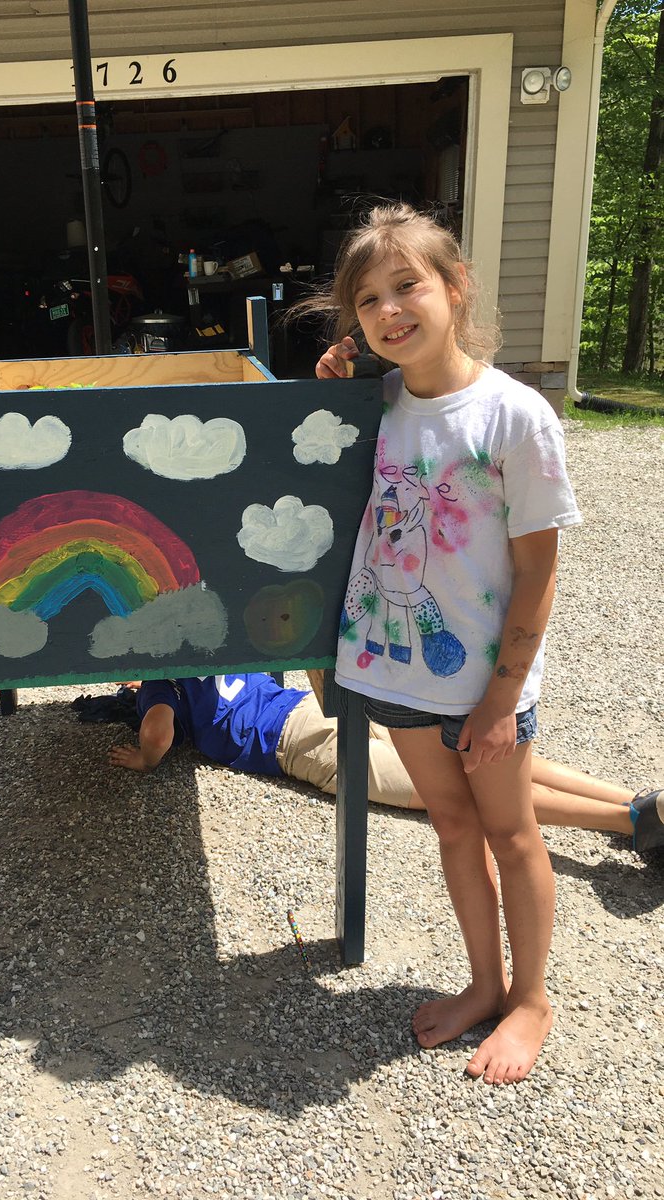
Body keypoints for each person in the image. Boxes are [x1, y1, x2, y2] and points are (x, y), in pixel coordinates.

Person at [308, 201, 586, 1086]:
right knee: (453, 826)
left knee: (513, 833)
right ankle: (483, 982)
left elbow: (539, 572)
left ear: (455, 288)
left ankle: (532, 1000)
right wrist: (331, 393)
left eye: (407, 286)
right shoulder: (375, 405)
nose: (389, 311)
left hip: (483, 684)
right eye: (368, 301)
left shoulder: (516, 417)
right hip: (397, 668)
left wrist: (504, 694)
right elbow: (312, 471)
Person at [108, 672, 663, 854]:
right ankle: (626, 795)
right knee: (485, 762)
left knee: (460, 792)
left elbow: (158, 731)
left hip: (303, 746)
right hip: (324, 705)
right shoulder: (217, 652)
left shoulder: (159, 682)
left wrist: (145, 759)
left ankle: (630, 822)